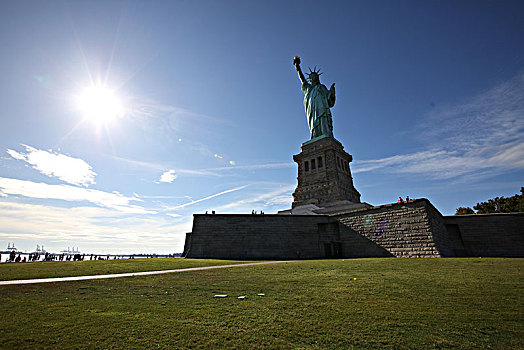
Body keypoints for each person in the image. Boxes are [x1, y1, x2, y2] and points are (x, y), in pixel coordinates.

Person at [293, 56, 336, 139]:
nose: (314, 78)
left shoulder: (322, 87)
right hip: (312, 109)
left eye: (316, 77)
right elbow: (301, 77)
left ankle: (325, 134)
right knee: (314, 122)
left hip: (322, 108)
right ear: (310, 79)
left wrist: (332, 93)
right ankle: (315, 136)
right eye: (312, 77)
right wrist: (297, 67)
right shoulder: (308, 87)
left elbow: (329, 100)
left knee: (323, 120)